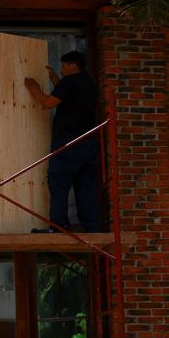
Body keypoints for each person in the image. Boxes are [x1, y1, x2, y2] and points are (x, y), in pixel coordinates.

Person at [23, 50, 102, 233]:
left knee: (59, 181)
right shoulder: (89, 83)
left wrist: (33, 87)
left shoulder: (70, 82)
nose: (62, 68)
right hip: (88, 141)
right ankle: (92, 227)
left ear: (73, 65)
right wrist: (54, 79)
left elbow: (49, 103)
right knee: (85, 184)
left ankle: (58, 227)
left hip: (68, 141)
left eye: (64, 65)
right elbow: (69, 98)